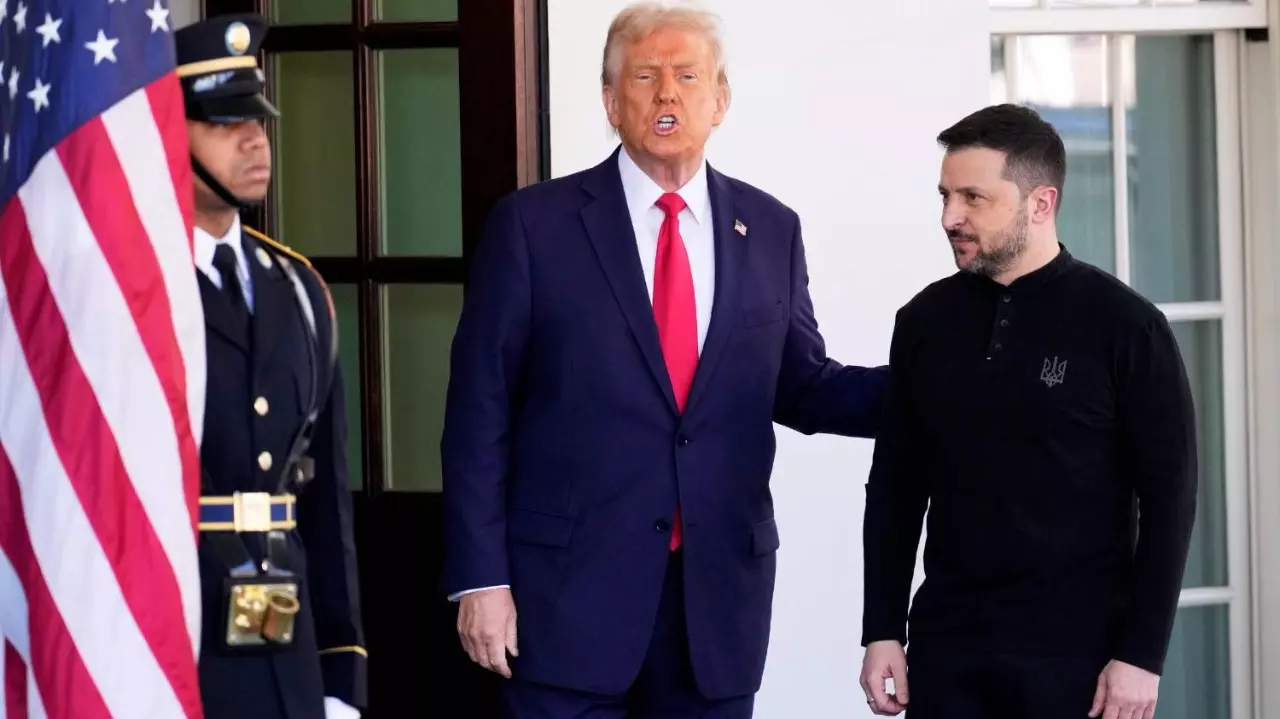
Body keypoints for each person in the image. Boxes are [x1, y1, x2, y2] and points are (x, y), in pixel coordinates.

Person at [440, 3, 887, 717]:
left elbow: (803, 384)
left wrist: (939, 386)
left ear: (721, 99)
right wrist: (479, 577)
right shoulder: (533, 227)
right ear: (611, 101)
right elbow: (477, 412)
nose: (667, 93)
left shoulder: (770, 227)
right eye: (644, 76)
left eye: (687, 75)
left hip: (714, 607)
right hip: (565, 603)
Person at [858, 103, 1198, 719]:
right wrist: (882, 628)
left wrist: (1142, 655)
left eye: (972, 198)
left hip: (1082, 666)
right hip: (947, 655)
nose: (949, 217)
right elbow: (895, 489)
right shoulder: (923, 322)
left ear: (1041, 204)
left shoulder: (1127, 327)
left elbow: (1171, 500)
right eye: (944, 195)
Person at [175, 14, 367, 719]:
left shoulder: (299, 289)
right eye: (225, 122)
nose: (256, 139)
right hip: (172, 643)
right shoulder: (133, 292)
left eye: (257, 118)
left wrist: (342, 671)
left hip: (285, 648)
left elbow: (325, 501)